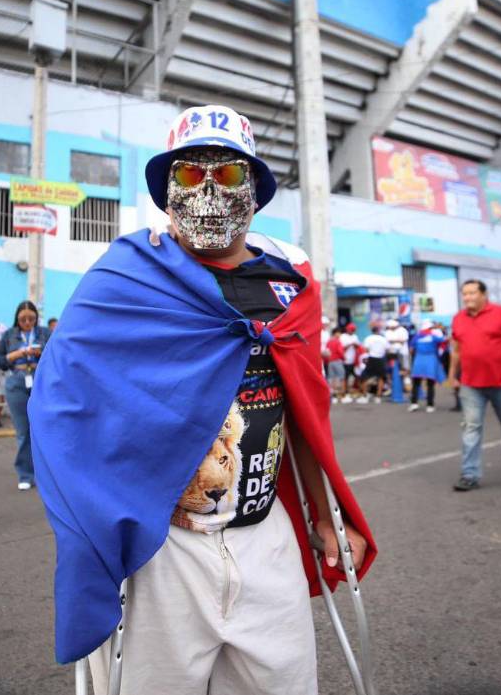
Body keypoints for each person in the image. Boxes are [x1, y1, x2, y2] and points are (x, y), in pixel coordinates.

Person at [30, 103, 374, 693]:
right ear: (168, 189)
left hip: (264, 537)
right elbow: (62, 402)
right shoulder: (129, 278)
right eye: (191, 174)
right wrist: (90, 522)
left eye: (229, 173)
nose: (209, 189)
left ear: (256, 189)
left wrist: (324, 513)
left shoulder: (287, 288)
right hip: (163, 549)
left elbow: (303, 416)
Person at [445, 279, 501, 491]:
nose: (467, 298)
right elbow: (457, 349)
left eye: (472, 293)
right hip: (471, 384)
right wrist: (452, 375)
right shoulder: (458, 319)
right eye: (464, 294)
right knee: (471, 428)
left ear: (484, 294)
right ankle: (469, 474)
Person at [0, 300, 51, 489]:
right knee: (23, 431)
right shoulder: (9, 335)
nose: (27, 322)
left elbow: (57, 354)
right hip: (17, 381)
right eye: (23, 319)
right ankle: (25, 474)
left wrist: (40, 352)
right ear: (17, 318)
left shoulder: (45, 333)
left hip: (40, 380)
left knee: (43, 429)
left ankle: (46, 474)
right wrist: (14, 355)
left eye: (31, 318)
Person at [407, 321, 446, 412]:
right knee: (430, 383)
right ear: (429, 328)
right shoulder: (434, 337)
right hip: (431, 359)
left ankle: (414, 404)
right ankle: (430, 405)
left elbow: (411, 350)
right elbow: (443, 342)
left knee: (416, 383)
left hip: (419, 359)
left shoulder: (416, 337)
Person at [356, 321, 388, 403]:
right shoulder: (383, 339)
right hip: (380, 359)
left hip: (372, 358)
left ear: (372, 331)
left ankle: (365, 396)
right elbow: (386, 349)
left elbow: (366, 349)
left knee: (364, 377)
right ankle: (378, 397)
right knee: (381, 378)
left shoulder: (368, 338)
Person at [339, 322, 361, 401]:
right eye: (351, 330)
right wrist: (349, 344)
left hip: (353, 361)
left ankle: (356, 391)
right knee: (345, 377)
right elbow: (341, 348)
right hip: (345, 360)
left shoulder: (355, 336)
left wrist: (355, 345)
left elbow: (359, 346)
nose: (352, 331)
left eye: (353, 330)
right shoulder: (343, 336)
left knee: (357, 376)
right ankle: (344, 392)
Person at [324, 326, 347, 403]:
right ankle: (341, 397)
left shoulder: (329, 341)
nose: (340, 334)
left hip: (330, 362)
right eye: (339, 333)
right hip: (337, 361)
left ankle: (333, 397)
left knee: (332, 379)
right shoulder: (338, 342)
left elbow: (326, 352)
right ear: (336, 333)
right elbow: (340, 352)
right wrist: (344, 358)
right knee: (341, 378)